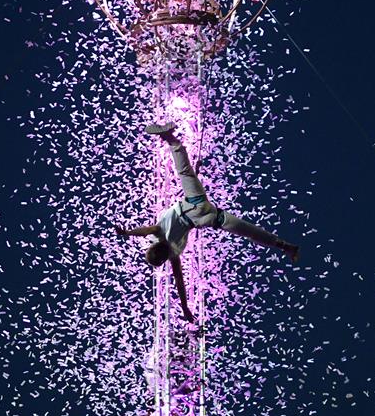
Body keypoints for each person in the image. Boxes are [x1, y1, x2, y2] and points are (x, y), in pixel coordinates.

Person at [116, 123, 300, 322]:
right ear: (154, 248)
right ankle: (170, 139)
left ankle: (286, 246)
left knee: (246, 230)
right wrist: (126, 233)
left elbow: (178, 280)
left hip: (204, 216)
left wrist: (185, 308)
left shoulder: (169, 249)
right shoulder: (164, 242)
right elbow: (147, 234)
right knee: (186, 173)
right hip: (196, 205)